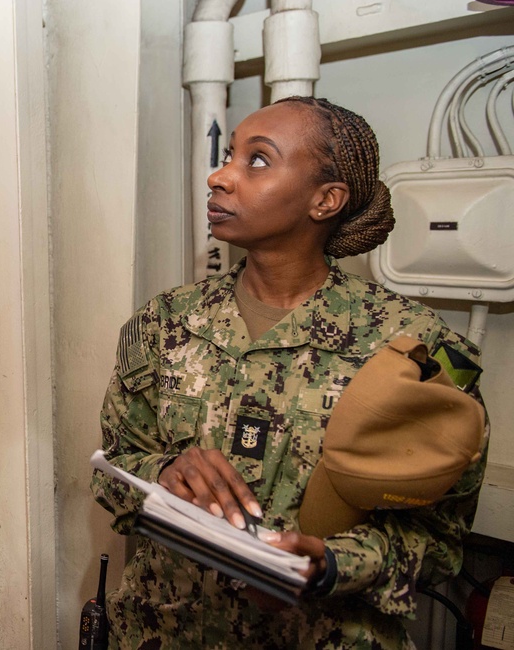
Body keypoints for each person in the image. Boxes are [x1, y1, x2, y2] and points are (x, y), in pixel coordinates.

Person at [91, 96, 489, 649]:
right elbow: (112, 467)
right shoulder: (163, 322)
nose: (219, 176)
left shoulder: (423, 349)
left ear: (326, 200)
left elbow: (441, 539)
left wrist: (331, 567)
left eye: (256, 161)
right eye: (228, 154)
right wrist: (163, 474)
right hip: (167, 630)